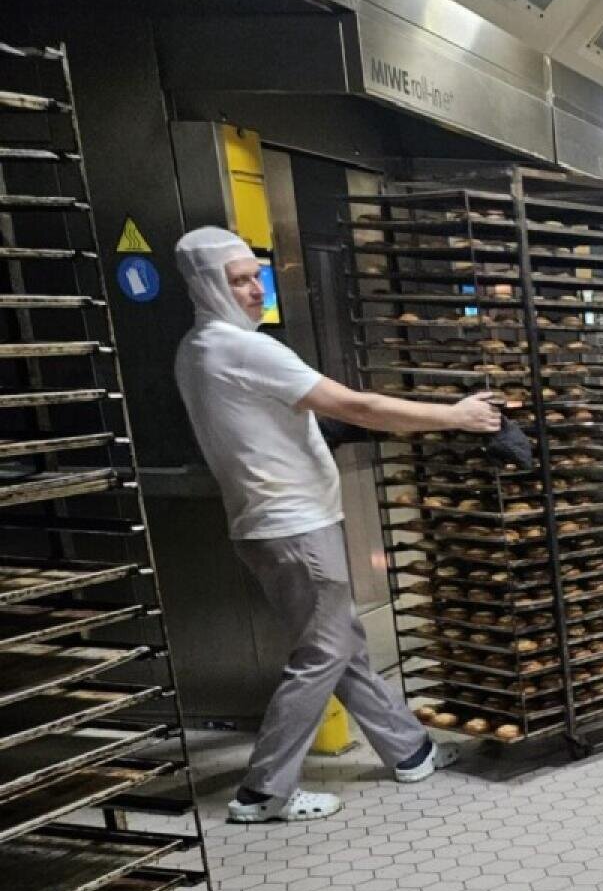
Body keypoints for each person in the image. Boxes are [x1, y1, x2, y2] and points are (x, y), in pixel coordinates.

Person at [173, 226, 500, 823]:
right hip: (294, 526)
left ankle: (411, 748)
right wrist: (456, 416)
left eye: (256, 276)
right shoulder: (244, 349)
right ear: (205, 285)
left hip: (269, 524)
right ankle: (262, 792)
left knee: (341, 643)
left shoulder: (197, 349)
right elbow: (357, 405)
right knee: (321, 653)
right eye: (238, 280)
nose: (253, 290)